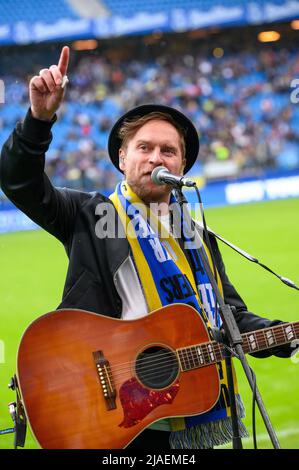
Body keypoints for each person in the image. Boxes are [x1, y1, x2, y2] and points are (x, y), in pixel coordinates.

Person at [0, 46, 295, 450]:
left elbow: (231, 320)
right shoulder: (91, 214)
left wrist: (286, 334)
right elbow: (19, 182)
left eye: (168, 151)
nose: (156, 157)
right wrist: (39, 121)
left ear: (182, 167)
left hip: (185, 412)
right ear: (122, 158)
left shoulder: (198, 234)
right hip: (115, 417)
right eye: (144, 148)